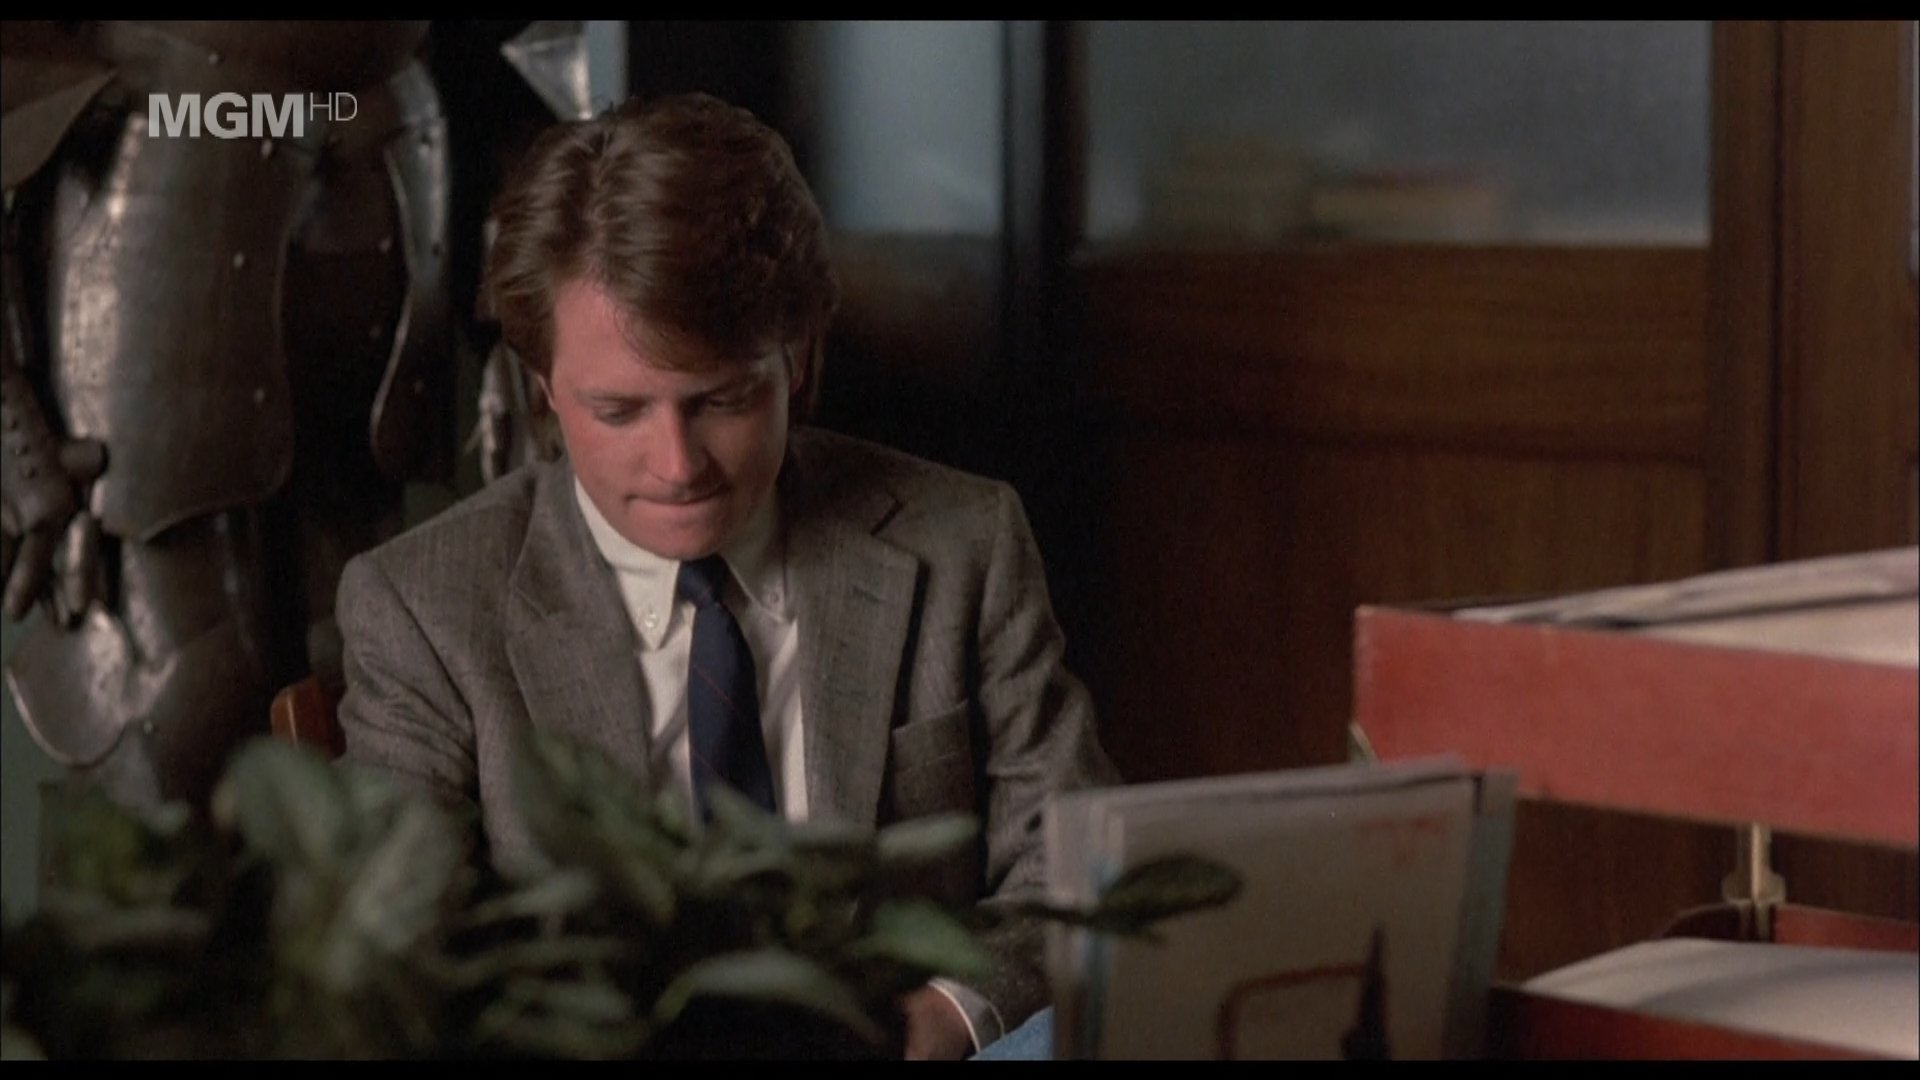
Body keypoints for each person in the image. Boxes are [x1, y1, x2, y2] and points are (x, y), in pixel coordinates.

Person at [333, 92, 1117, 1059]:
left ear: (798, 360)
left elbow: (1074, 869)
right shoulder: (422, 607)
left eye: (722, 399)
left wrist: (943, 1017)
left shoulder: (964, 541)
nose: (678, 465)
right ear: (544, 389)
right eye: (619, 411)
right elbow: (394, 962)